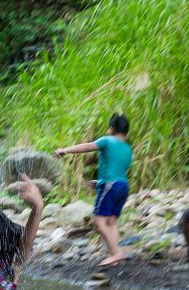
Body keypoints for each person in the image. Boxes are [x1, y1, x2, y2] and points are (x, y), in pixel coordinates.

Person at [54, 113, 133, 267]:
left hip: (110, 185)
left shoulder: (106, 140)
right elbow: (117, 169)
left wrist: (65, 150)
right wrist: (99, 182)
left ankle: (116, 253)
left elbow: (88, 146)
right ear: (126, 132)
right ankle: (114, 256)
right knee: (112, 222)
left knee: (99, 222)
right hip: (123, 186)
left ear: (111, 129)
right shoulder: (128, 149)